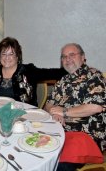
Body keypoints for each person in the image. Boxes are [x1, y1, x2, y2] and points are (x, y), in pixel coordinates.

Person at [44, 43, 106, 171]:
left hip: (87, 136)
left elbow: (96, 107)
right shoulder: (62, 81)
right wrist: (53, 113)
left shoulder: (94, 77)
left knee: (58, 164)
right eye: (64, 56)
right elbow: (47, 105)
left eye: (72, 55)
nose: (67, 59)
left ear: (83, 57)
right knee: (36, 151)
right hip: (60, 133)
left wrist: (64, 112)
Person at [0, 37, 67, 106]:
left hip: (25, 117)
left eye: (11, 54)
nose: (7, 58)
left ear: (17, 56)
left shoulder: (28, 71)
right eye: (4, 54)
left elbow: (52, 73)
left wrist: (75, 69)